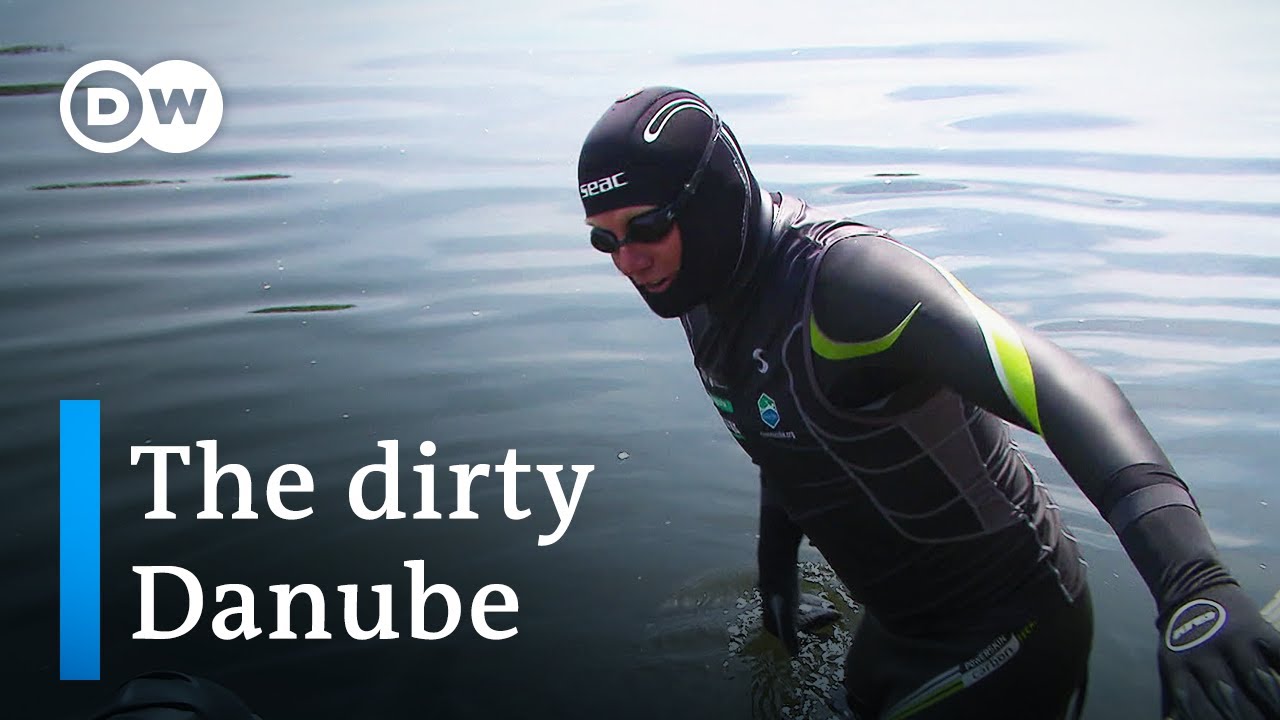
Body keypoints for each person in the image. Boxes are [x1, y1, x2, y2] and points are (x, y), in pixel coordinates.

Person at [577, 86, 1280, 720]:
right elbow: (783, 434)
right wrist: (776, 577)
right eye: (604, 241)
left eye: (646, 227)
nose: (627, 261)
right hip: (900, 629)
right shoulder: (701, 296)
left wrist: (1192, 584)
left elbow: (1066, 390)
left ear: (710, 200)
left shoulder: (849, 285)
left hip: (1009, 631)